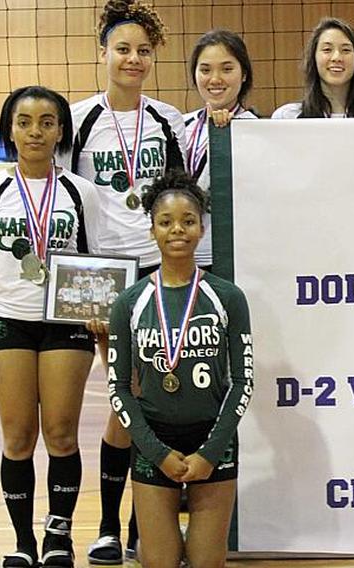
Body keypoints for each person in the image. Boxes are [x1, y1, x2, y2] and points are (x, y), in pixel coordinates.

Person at [57, 0, 186, 562]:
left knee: (147, 400)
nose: (133, 59)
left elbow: (182, 197)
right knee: (123, 402)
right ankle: (110, 526)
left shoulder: (167, 120)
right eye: (123, 49)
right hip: (104, 274)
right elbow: (62, 204)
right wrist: (79, 287)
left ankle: (142, 525)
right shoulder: (78, 119)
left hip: (158, 268)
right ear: (102, 53)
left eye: (143, 51)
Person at [0, 86, 101, 568]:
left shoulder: (80, 192)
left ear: (61, 130)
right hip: (8, 322)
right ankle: (23, 542)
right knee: (18, 438)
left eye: (47, 121)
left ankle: (59, 538)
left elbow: (98, 262)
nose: (36, 131)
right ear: (10, 130)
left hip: (66, 323)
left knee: (62, 434)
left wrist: (100, 323)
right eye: (25, 121)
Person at [107, 169, 253, 568]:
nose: (178, 230)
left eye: (188, 221)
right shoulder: (129, 302)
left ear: (202, 229)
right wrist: (157, 452)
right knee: (160, 562)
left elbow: (242, 382)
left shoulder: (227, 297)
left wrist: (210, 452)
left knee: (208, 563)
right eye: (166, 222)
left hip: (213, 441)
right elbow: (119, 389)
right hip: (155, 442)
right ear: (152, 228)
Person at [185, 29, 258, 270]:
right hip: (183, 252)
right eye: (205, 70)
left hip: (236, 254)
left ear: (244, 74)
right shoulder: (180, 126)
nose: (215, 79)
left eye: (227, 69)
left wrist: (225, 136)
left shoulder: (255, 131)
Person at [271, 18, 354, 118]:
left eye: (346, 50)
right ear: (314, 58)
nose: (336, 57)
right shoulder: (287, 117)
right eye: (327, 50)